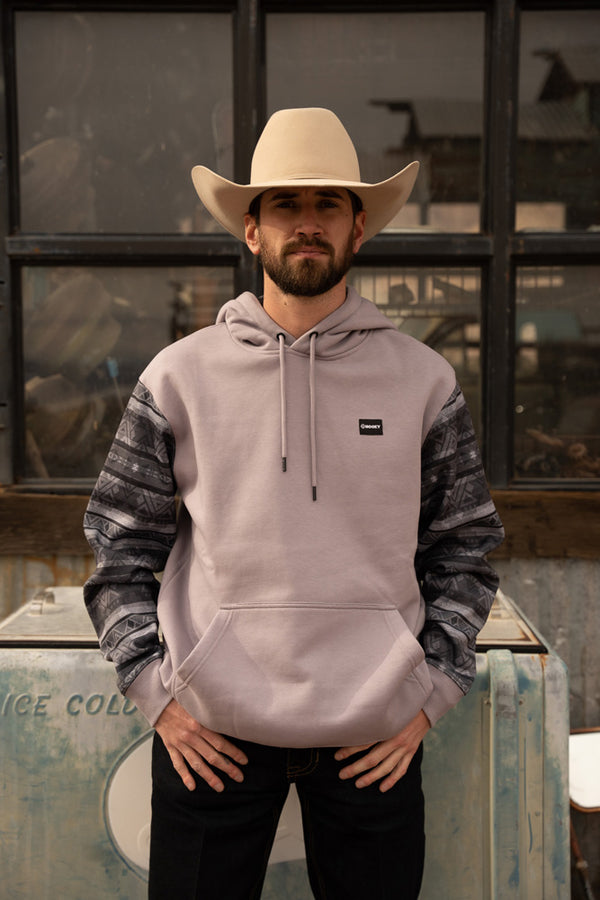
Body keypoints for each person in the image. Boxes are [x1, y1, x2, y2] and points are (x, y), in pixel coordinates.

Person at [84, 107, 504, 900]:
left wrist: (429, 698)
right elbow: (119, 548)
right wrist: (156, 694)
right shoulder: (177, 377)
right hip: (211, 735)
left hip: (374, 735)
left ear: (357, 230)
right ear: (252, 231)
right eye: (286, 204)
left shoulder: (423, 381)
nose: (306, 224)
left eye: (327, 205)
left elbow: (466, 550)